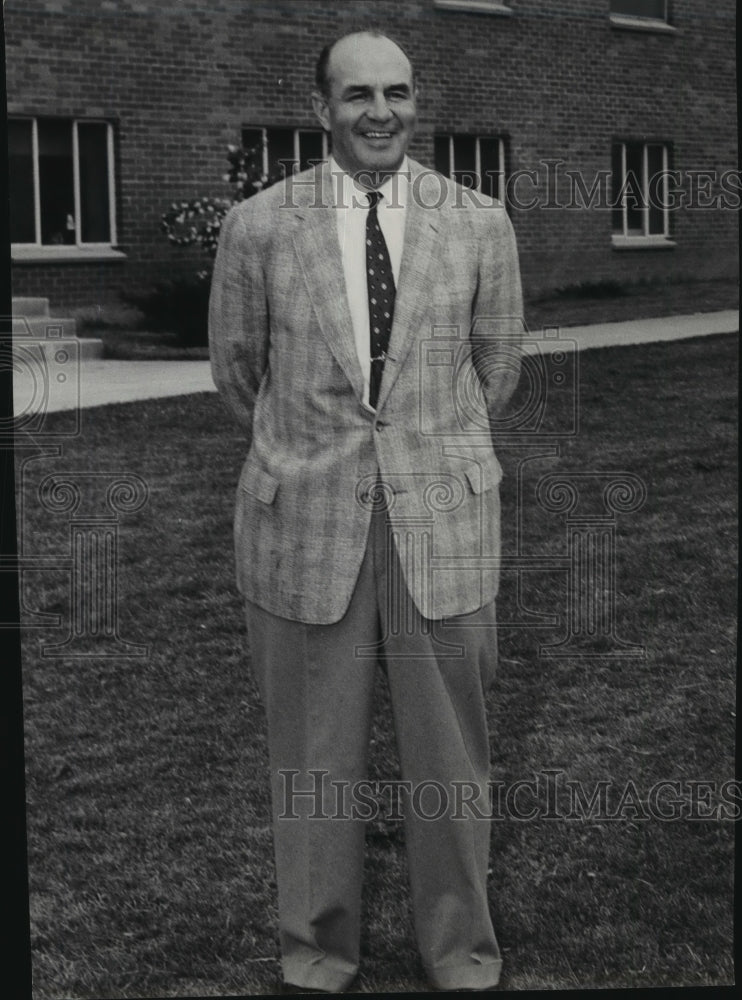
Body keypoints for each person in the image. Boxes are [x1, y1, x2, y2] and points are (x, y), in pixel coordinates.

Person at [209, 29, 524, 994]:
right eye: (357, 96)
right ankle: (316, 955)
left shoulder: (479, 221)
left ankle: (460, 953)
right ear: (322, 109)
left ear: (416, 100)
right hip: (304, 524)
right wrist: (317, 451)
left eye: (396, 92)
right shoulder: (260, 226)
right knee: (311, 766)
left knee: (451, 761)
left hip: (443, 525)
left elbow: (496, 370)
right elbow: (238, 373)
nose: (380, 112)